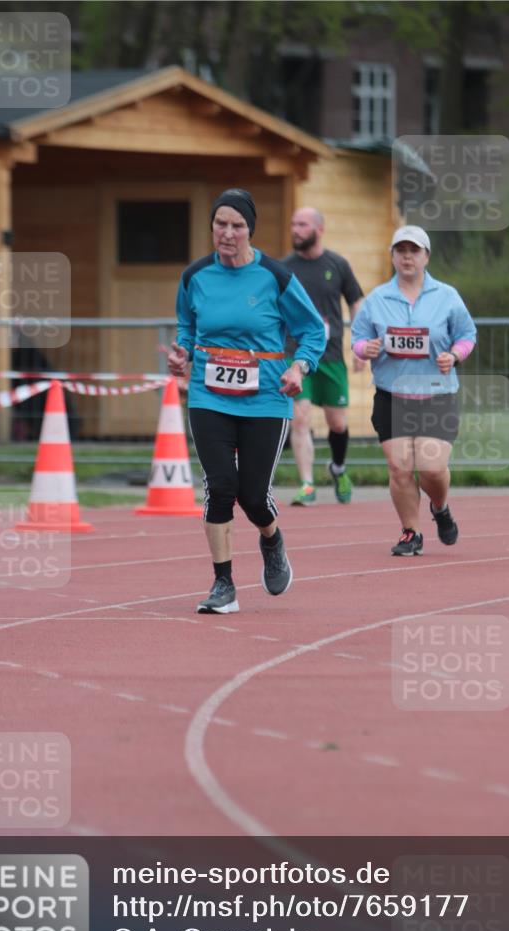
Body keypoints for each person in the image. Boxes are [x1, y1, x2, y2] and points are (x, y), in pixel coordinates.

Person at [167, 189, 325, 613]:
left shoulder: (275, 277)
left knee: (253, 496)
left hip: (265, 400)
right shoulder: (195, 276)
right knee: (220, 487)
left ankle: (272, 540)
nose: (227, 233)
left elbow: (313, 330)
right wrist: (182, 353)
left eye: (237, 225)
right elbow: (187, 325)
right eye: (220, 224)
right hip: (209, 396)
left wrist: (300, 367)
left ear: (250, 230)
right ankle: (223, 585)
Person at [351, 225, 477, 556]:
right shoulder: (378, 298)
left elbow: (467, 335)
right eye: (401, 250)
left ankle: (440, 507)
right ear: (393, 256)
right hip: (391, 395)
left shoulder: (446, 296)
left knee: (432, 468)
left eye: (414, 251)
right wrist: (366, 348)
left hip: (436, 393)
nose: (407, 257)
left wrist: (455, 355)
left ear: (426, 257)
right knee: (400, 468)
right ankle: (411, 532)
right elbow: (358, 339)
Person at [282, 207, 365, 505]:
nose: (296, 229)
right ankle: (307, 484)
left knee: (337, 423)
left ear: (319, 229)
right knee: (300, 418)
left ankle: (338, 468)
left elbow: (356, 302)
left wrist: (360, 342)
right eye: (294, 224)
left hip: (330, 356)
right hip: (295, 355)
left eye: (302, 224)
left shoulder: (337, 264)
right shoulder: (284, 268)